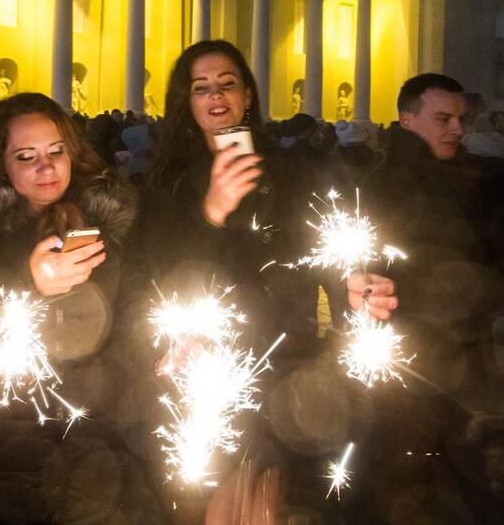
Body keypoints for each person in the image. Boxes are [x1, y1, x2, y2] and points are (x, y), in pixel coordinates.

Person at [120, 40, 397, 520]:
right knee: (221, 498)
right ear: (187, 104)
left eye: (227, 84)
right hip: (211, 366)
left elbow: (312, 251)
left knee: (276, 498)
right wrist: (211, 214)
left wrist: (347, 284)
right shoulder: (167, 182)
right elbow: (160, 278)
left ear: (248, 94)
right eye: (201, 88)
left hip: (290, 353)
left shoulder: (289, 170)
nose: (216, 96)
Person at [0, 92, 158, 524]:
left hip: (100, 441)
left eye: (56, 151)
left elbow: (136, 305)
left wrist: (164, 345)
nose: (46, 167)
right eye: (26, 156)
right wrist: (28, 285)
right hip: (10, 449)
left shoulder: (108, 224)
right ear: (0, 165)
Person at [363, 73, 504, 521]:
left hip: (458, 357)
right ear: (407, 120)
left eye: (460, 118)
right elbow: (431, 279)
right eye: (443, 118)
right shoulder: (397, 185)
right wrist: (498, 288)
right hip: (417, 362)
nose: (457, 128)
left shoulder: (459, 175)